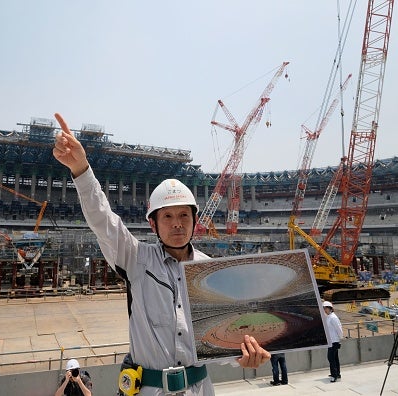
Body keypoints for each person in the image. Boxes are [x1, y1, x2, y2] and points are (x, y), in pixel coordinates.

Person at [53, 113, 271, 395]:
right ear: (152, 223)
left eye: (183, 215)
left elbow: (220, 335)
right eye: (167, 216)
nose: (177, 223)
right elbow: (103, 220)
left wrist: (242, 356)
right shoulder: (136, 259)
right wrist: (81, 169)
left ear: (195, 221)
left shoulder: (210, 270)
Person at [323, 301, 343, 382]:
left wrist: (340, 338)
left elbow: (339, 328)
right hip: (331, 341)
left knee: (331, 358)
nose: (324, 310)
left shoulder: (333, 317)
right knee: (335, 358)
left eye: (325, 308)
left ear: (329, 308)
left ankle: (334, 375)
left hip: (334, 341)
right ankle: (337, 373)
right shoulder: (329, 317)